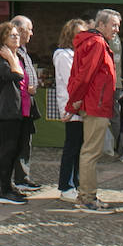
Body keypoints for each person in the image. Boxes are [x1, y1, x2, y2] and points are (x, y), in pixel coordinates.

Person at [65, 8, 121, 214]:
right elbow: (85, 76)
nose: (116, 30)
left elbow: (80, 74)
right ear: (101, 25)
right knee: (91, 152)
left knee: (90, 151)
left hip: (95, 103)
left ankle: (87, 195)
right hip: (96, 104)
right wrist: (72, 104)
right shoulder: (97, 43)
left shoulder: (93, 42)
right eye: (113, 25)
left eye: (117, 26)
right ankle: (87, 197)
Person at [0, 21, 30, 205]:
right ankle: (4, 189)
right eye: (12, 35)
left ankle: (10, 184)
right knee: (7, 150)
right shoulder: (1, 58)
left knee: (17, 150)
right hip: (7, 111)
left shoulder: (18, 56)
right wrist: (13, 61)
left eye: (17, 35)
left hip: (21, 109)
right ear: (3, 39)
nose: (16, 38)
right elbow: (17, 75)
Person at [53, 18, 87, 201]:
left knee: (79, 147)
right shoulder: (63, 55)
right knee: (72, 147)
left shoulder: (79, 54)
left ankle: (76, 182)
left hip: (81, 107)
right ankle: (66, 185)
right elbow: (69, 83)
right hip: (71, 106)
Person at [9, 15, 41, 192]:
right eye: (29, 29)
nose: (32, 33)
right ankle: (16, 179)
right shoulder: (9, 52)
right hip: (16, 105)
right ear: (20, 31)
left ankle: (23, 177)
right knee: (15, 143)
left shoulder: (23, 50)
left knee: (25, 142)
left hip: (27, 105)